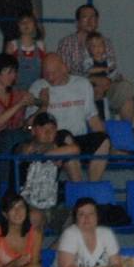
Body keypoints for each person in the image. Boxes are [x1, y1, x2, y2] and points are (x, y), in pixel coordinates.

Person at [29, 53, 110, 181]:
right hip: (55, 140)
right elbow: (30, 125)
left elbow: (93, 118)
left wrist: (107, 140)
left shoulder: (83, 84)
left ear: (65, 68)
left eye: (54, 72)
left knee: (104, 140)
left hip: (79, 137)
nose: (50, 77)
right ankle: (77, 187)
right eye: (46, 73)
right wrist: (43, 105)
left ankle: (93, 184)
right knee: (66, 137)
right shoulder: (37, 87)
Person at [57, 5, 134, 123]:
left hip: (106, 87)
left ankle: (126, 134)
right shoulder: (66, 43)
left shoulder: (106, 43)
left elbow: (111, 68)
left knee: (126, 90)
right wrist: (91, 80)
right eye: (85, 17)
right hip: (78, 89)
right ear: (77, 22)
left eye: (93, 17)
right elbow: (64, 74)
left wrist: (107, 81)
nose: (90, 20)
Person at [51, 197, 131, 267]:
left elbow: (117, 265)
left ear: (97, 217)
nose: (86, 218)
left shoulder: (107, 233)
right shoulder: (70, 234)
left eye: (91, 214)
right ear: (76, 218)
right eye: (81, 214)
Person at [15, 112, 79, 231]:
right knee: (35, 216)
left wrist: (50, 154)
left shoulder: (58, 147)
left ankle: (55, 250)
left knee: (80, 219)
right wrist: (50, 153)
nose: (48, 132)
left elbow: (75, 149)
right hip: (26, 204)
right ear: (33, 131)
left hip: (51, 204)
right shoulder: (23, 145)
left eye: (52, 129)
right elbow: (26, 151)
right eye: (43, 128)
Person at [5, 12, 46, 92]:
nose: (26, 24)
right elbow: (6, 71)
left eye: (29, 21)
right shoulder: (12, 45)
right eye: (22, 22)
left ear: (35, 25)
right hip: (16, 91)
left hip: (36, 90)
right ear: (18, 26)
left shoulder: (41, 45)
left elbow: (44, 70)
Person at [84, 31, 121, 119]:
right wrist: (103, 69)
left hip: (105, 89)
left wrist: (113, 74)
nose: (98, 49)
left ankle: (106, 119)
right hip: (93, 88)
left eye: (100, 45)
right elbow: (89, 71)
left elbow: (113, 73)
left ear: (104, 47)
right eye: (94, 46)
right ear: (89, 49)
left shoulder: (108, 62)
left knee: (105, 107)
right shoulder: (88, 61)